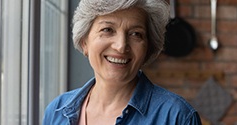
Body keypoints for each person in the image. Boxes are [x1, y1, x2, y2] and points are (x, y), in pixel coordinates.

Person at [43, 0, 202, 124]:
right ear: (84, 41)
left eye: (135, 34)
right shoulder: (56, 112)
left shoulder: (177, 117)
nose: (121, 46)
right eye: (107, 30)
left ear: (148, 49)